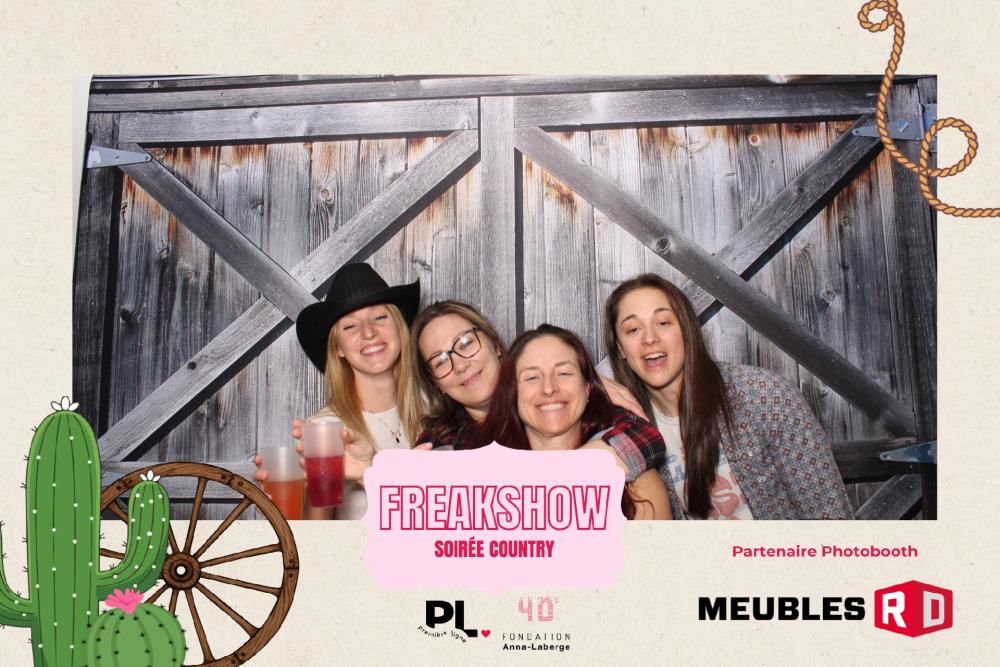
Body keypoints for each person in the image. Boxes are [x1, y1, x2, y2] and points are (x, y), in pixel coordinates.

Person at [603, 273, 854, 520]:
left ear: (686, 331)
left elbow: (831, 516)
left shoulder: (762, 395)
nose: (649, 338)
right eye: (633, 329)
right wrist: (594, 382)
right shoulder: (630, 432)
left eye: (663, 323)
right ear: (620, 349)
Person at [411, 301, 664, 482]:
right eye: (440, 361)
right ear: (436, 383)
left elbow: (646, 438)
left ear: (495, 344)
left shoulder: (554, 403)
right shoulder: (442, 442)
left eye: (466, 343)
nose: (460, 365)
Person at [255, 262, 425, 519]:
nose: (369, 332)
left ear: (400, 330)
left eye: (380, 317)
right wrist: (290, 513)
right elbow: (319, 534)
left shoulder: (435, 410)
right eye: (350, 326)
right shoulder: (327, 430)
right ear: (338, 349)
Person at [477, 324, 671, 520]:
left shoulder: (637, 487)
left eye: (564, 373)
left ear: (587, 389)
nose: (549, 388)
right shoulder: (482, 487)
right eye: (532, 377)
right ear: (512, 394)